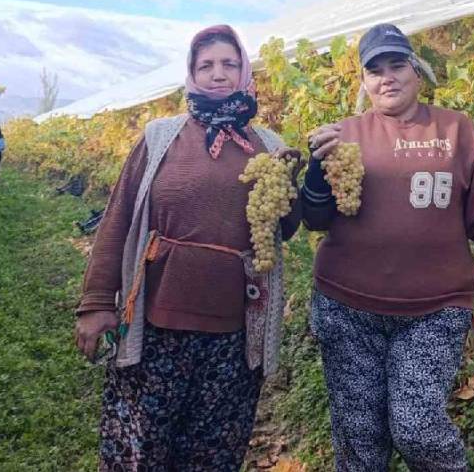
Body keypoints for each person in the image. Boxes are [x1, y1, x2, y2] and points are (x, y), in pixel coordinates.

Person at [302, 23, 474, 472]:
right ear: (364, 81)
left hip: (435, 309)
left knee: (418, 427)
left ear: (417, 71)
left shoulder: (456, 130)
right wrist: (316, 171)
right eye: (375, 70)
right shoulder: (342, 135)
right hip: (347, 308)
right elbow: (316, 219)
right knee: (359, 438)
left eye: (397, 65)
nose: (387, 77)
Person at [73, 25, 302, 471]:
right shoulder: (160, 137)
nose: (218, 74)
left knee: (212, 452)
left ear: (244, 72)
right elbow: (119, 218)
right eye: (206, 65)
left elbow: (282, 230)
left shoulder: (269, 145)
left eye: (229, 64)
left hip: (234, 336)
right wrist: (97, 302)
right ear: (192, 74)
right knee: (143, 447)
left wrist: (291, 182)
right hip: (157, 326)